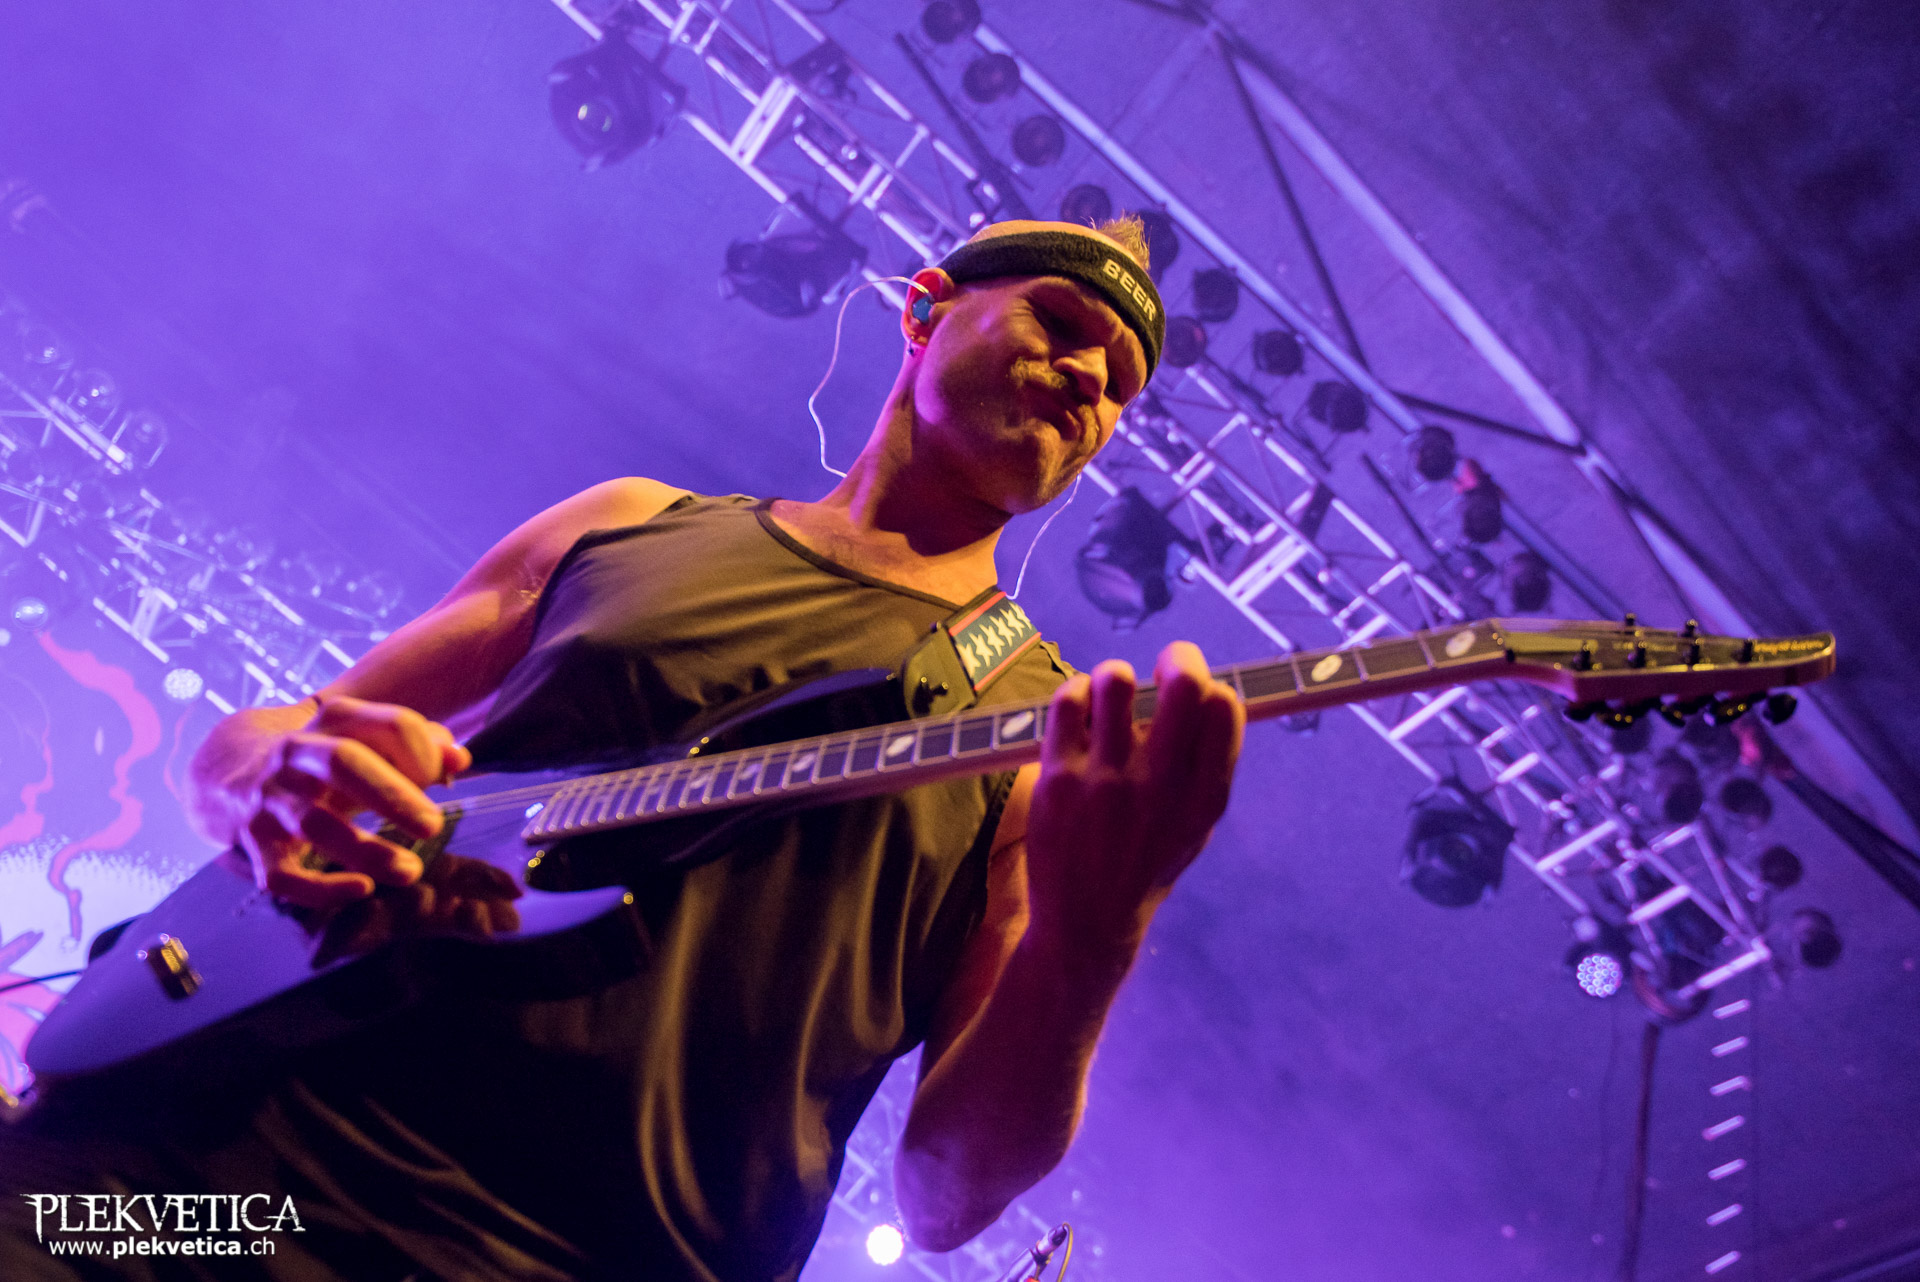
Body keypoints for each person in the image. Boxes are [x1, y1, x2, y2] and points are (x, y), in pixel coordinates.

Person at [0, 217, 1244, 1280]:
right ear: (925, 309)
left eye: (1122, 383)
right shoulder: (631, 523)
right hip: (198, 1171)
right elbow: (281, 736)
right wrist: (251, 772)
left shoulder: (1046, 744)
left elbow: (942, 1199)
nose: (1093, 377)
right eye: (1063, 322)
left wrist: (1097, 934)